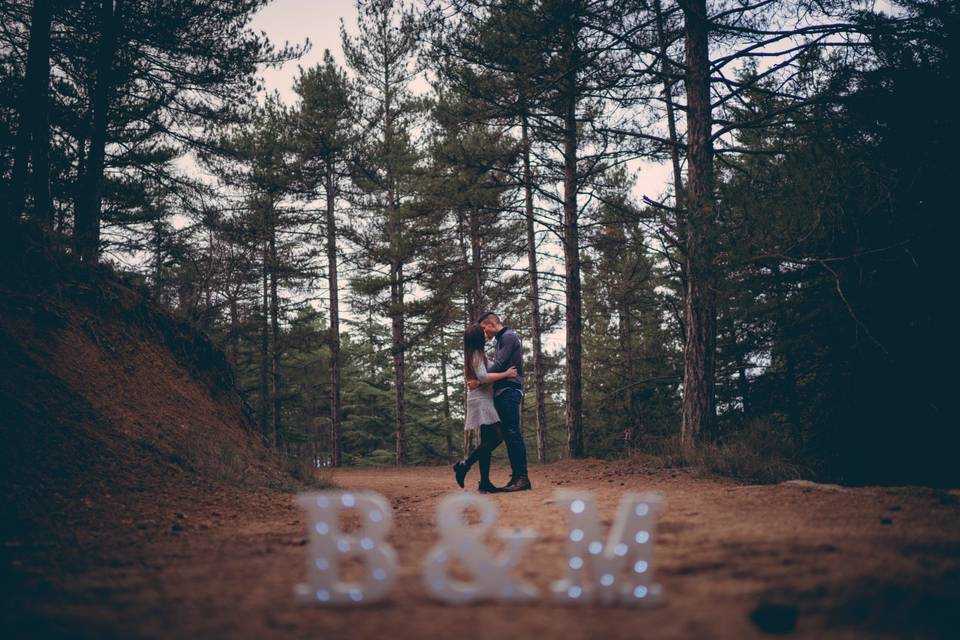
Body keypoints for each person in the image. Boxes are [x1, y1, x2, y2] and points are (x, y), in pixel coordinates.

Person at [469, 312, 531, 492]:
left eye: (483, 328)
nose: (483, 332)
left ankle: (522, 478)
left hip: (509, 390)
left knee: (513, 432)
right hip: (503, 390)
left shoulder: (509, 336)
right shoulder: (501, 339)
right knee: (509, 434)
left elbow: (500, 364)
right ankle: (517, 477)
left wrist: (480, 379)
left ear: (491, 324)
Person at [453, 323, 518, 493]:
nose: (485, 333)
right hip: (481, 399)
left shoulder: (476, 354)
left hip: (483, 397)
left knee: (487, 440)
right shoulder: (476, 354)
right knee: (497, 436)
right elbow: (483, 376)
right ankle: (464, 465)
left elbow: (480, 377)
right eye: (481, 331)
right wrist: (506, 374)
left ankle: (485, 483)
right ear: (476, 337)